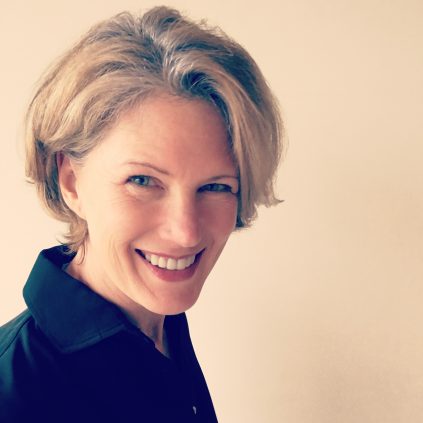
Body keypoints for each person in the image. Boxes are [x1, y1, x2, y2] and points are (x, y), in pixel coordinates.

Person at [0, 6, 282, 422]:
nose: (186, 233)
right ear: (71, 181)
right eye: (143, 181)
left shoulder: (160, 325)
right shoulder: (16, 396)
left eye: (216, 186)